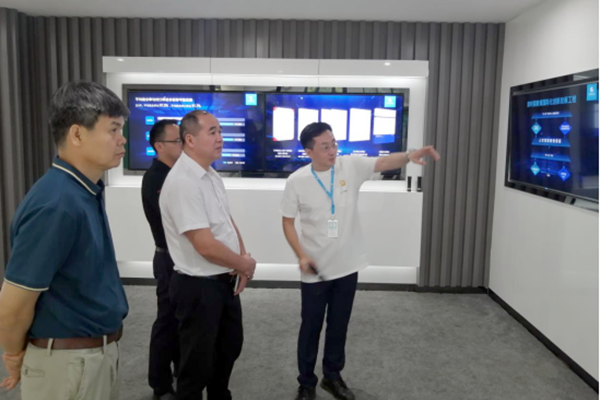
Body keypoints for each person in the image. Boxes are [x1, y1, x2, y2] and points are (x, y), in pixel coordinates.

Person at [281, 122, 440, 400]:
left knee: (339, 326)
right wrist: (301, 255)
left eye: (334, 143)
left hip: (347, 266)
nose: (333, 150)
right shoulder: (297, 181)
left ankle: (332, 377)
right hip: (315, 270)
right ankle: (306, 383)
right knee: (310, 328)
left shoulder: (349, 166)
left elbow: (382, 162)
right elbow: (287, 223)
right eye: (325, 146)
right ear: (308, 151)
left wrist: (408, 155)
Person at [0, 81, 130, 400]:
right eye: (113, 129)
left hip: (91, 357)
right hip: (69, 364)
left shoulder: (81, 191)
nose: (122, 139)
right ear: (77, 134)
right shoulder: (56, 204)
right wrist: (14, 354)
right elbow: (15, 303)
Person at [160, 110, 257, 400]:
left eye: (220, 131)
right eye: (212, 132)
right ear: (190, 140)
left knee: (228, 350)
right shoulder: (183, 182)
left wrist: (241, 260)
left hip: (222, 281)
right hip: (198, 288)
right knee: (196, 366)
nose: (220, 138)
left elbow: (226, 221)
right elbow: (204, 245)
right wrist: (243, 263)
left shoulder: (210, 174)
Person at [142, 119, 184, 399]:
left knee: (182, 319)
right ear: (159, 146)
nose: (183, 144)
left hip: (181, 258)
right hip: (168, 259)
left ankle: (181, 368)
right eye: (177, 140)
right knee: (167, 321)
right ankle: (160, 384)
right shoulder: (156, 178)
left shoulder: (177, 173)